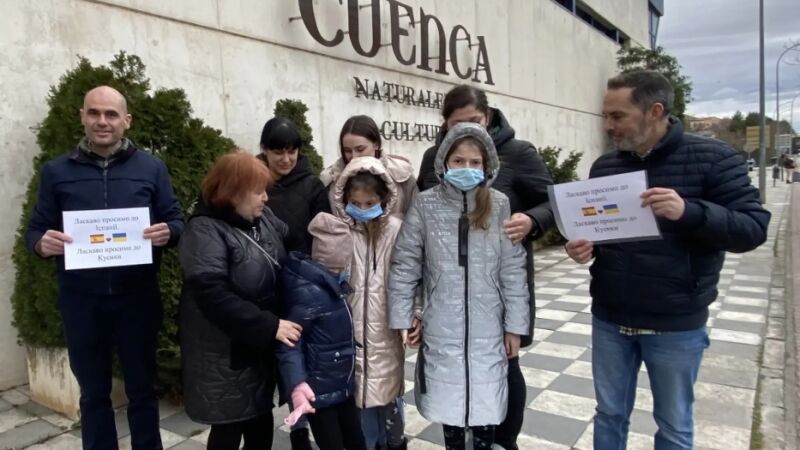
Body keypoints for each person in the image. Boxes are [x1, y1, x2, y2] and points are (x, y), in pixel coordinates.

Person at [565, 70, 770, 450]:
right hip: (611, 317)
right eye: (606, 116)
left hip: (675, 324)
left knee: (674, 425)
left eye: (618, 116)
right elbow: (602, 232)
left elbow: (753, 229)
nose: (608, 125)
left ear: (655, 111)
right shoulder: (605, 167)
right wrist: (584, 247)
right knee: (609, 415)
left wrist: (689, 212)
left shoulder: (715, 159)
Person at [25, 86, 184, 450]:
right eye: (94, 113)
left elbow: (176, 219)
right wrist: (40, 244)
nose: (102, 121)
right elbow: (35, 229)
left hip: (137, 299)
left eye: (111, 114)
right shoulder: (56, 171)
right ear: (82, 117)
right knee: (93, 394)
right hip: (82, 302)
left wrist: (169, 232)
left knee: (142, 389)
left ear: (126, 121)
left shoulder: (152, 168)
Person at [416, 84, 553, 449]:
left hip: (498, 289)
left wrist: (533, 220)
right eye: (456, 123)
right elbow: (421, 217)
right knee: (451, 374)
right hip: (447, 298)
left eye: (475, 121)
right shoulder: (433, 158)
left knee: (505, 367)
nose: (467, 130)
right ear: (445, 123)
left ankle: (503, 441)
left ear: (488, 117)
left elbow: (553, 201)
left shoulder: (519, 153)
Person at [388, 122, 530, 450]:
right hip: (442, 327)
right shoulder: (426, 204)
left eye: (475, 162)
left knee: (486, 407)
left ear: (487, 165)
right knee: (449, 406)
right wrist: (404, 316)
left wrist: (515, 326)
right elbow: (406, 263)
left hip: (488, 328)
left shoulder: (499, 204)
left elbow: (512, 270)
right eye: (458, 160)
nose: (467, 167)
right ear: (444, 163)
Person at [179, 151, 300, 450]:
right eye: (258, 191)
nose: (265, 198)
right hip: (225, 353)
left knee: (260, 423)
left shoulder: (260, 218)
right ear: (232, 193)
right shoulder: (204, 230)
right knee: (229, 429)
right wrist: (269, 325)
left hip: (257, 347)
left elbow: (293, 242)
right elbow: (211, 295)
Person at [331, 157, 407, 450]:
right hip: (349, 330)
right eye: (355, 203)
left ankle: (394, 442)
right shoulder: (339, 230)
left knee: (388, 396)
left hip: (386, 330)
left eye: (370, 203)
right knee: (358, 396)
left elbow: (409, 277)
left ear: (383, 199)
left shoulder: (397, 229)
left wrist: (410, 315)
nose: (362, 209)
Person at [277, 213, 367, 450]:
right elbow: (290, 343)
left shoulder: (331, 284)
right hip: (318, 392)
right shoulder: (309, 293)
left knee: (356, 441)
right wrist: (297, 385)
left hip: (341, 384)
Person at [257, 117, 330, 255]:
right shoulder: (249, 182)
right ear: (265, 149)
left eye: (291, 152)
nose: (286, 160)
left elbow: (325, 239)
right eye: (278, 153)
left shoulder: (313, 187)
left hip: (301, 266)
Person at [320, 115, 417, 218]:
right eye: (347, 151)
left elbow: (417, 218)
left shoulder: (401, 175)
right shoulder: (330, 179)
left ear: (376, 144)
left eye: (360, 149)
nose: (354, 157)